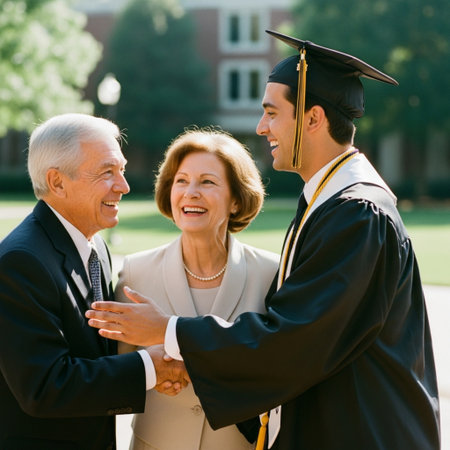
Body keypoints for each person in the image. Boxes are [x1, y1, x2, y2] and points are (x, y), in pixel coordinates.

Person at [87, 31, 441, 449]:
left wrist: (170, 331)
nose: (261, 127)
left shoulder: (356, 214)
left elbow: (292, 341)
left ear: (313, 119)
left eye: (272, 113)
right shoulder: (328, 203)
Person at [0, 113, 187, 450]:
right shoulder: (20, 262)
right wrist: (148, 367)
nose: (124, 186)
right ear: (57, 182)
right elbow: (44, 387)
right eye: (106, 172)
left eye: (122, 169)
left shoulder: (94, 244)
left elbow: (90, 352)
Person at [116, 128, 279, 450]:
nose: (190, 192)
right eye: (181, 181)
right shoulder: (136, 271)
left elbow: (280, 372)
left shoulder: (272, 273)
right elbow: (116, 372)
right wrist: (153, 369)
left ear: (235, 200)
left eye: (207, 182)